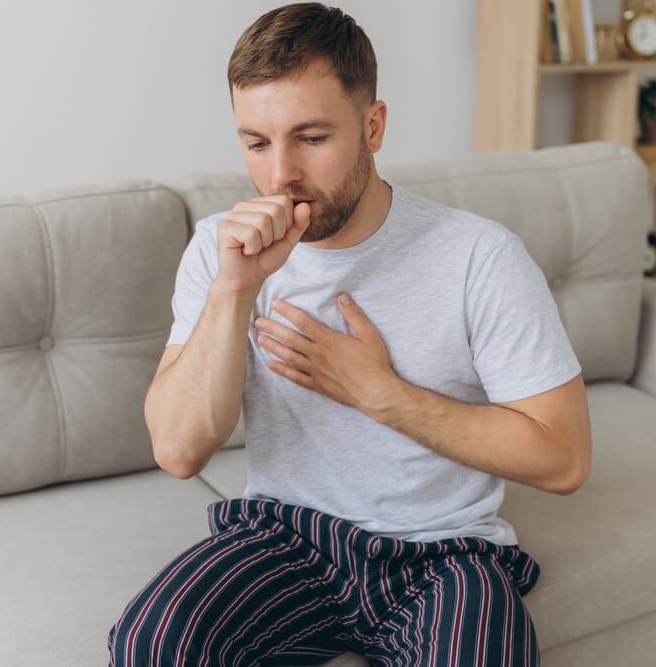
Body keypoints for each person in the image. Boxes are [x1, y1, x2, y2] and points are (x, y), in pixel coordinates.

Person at [108, 3, 591, 665]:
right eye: (256, 142)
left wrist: (382, 394)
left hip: (443, 550)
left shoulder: (479, 257)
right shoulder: (219, 254)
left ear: (373, 126)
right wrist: (234, 292)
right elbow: (179, 449)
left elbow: (563, 457)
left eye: (310, 137)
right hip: (284, 534)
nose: (281, 174)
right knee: (153, 642)